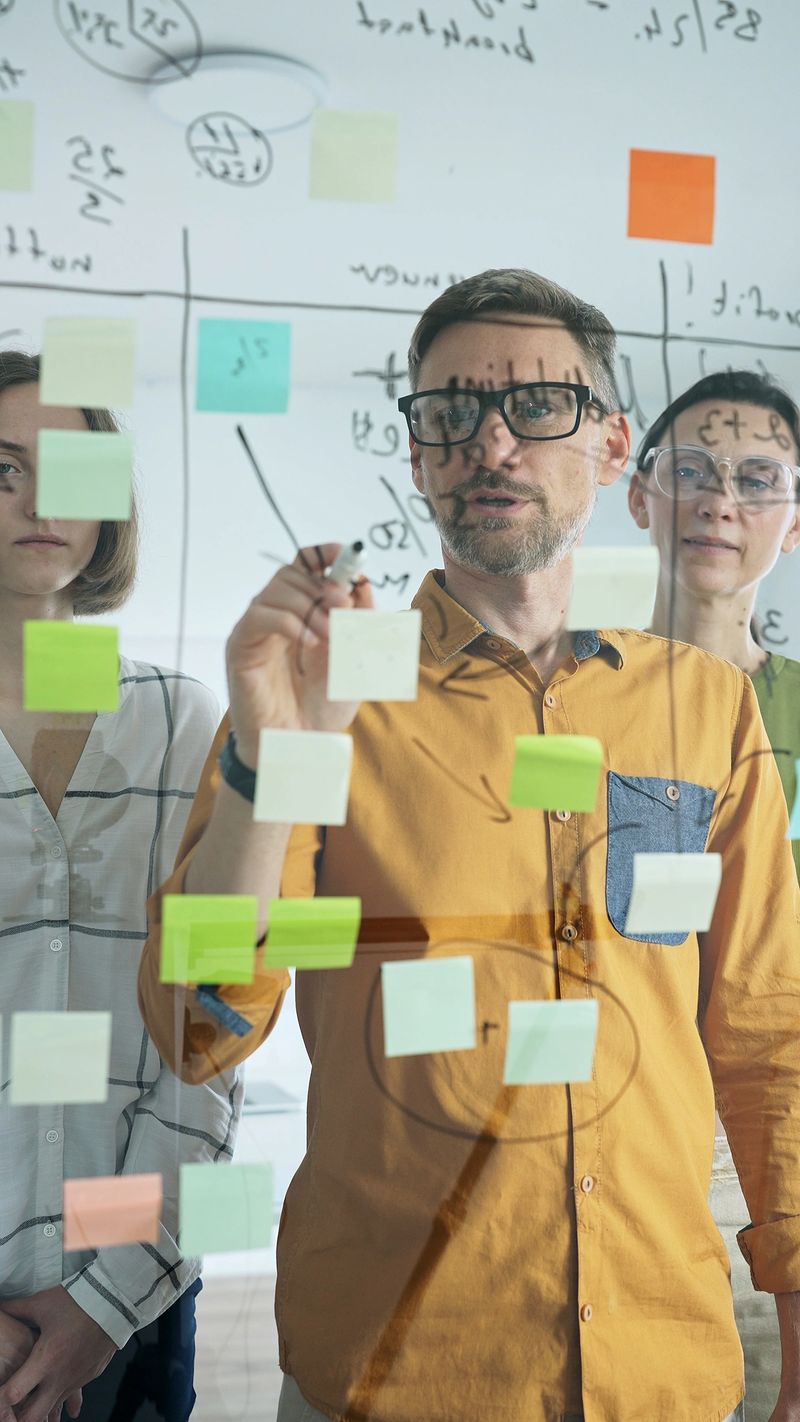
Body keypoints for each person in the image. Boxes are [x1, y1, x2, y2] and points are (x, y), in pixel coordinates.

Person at [137, 269, 800, 1422]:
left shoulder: (703, 708)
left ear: (606, 449)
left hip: (661, 1367)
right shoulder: (326, 695)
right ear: (416, 454)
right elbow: (202, 1025)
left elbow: (764, 1030)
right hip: (399, 1369)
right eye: (447, 413)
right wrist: (266, 755)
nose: (487, 443)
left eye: (533, 405)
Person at [0, 352, 242, 1422]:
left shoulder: (183, 719)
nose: (47, 502)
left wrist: (106, 1297)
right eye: (5, 468)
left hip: (137, 1296)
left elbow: (210, 1027)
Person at [628, 369, 800, 1422]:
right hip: (614, 1133)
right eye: (689, 471)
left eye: (753, 478)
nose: (718, 502)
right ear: (639, 495)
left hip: (773, 1143)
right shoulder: (564, 706)